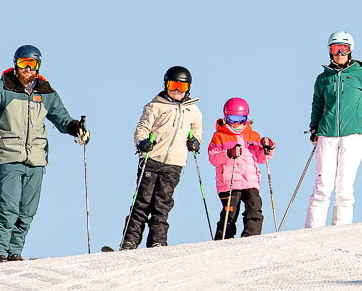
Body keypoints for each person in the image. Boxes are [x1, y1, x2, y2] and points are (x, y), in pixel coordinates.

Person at [0, 45, 88, 264]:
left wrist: (74, 127)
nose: (27, 69)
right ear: (15, 64)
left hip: (36, 158)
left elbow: (60, 117)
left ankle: (14, 252)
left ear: (38, 66)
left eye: (32, 64)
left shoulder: (45, 92)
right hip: (10, 155)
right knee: (9, 208)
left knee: (27, 210)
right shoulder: (2, 87)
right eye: (23, 63)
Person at [112, 65, 203, 250]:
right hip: (152, 159)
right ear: (165, 85)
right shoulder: (155, 106)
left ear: (188, 88)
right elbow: (142, 128)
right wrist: (142, 142)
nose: (177, 91)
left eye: (182, 87)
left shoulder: (193, 110)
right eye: (173, 85)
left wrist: (195, 141)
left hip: (174, 164)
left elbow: (197, 130)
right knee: (142, 202)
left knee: (162, 204)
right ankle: (130, 241)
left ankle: (157, 241)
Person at [304, 31, 362, 227]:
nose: (339, 53)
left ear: (350, 51)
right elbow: (317, 104)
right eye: (335, 48)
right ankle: (312, 230)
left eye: (344, 48)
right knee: (322, 186)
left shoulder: (361, 75)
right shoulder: (323, 78)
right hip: (327, 135)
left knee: (344, 186)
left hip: (353, 135)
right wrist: (314, 127)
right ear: (329, 51)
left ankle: (341, 231)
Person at [208, 97, 275, 239]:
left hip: (250, 181)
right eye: (233, 119)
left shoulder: (253, 136)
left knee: (255, 207)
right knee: (230, 213)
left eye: (241, 119)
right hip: (229, 183)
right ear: (226, 117)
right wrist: (228, 153)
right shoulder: (219, 136)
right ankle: (223, 240)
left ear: (247, 117)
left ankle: (251, 237)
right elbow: (213, 158)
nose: (237, 123)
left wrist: (268, 148)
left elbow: (261, 158)